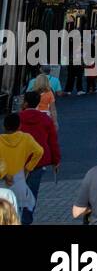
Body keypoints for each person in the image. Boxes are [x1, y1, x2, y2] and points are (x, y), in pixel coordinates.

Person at [16, 93, 59, 224]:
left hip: (18, 159)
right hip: (38, 160)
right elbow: (52, 141)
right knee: (32, 191)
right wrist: (56, 160)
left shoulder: (17, 118)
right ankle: (26, 219)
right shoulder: (45, 119)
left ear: (25, 103)